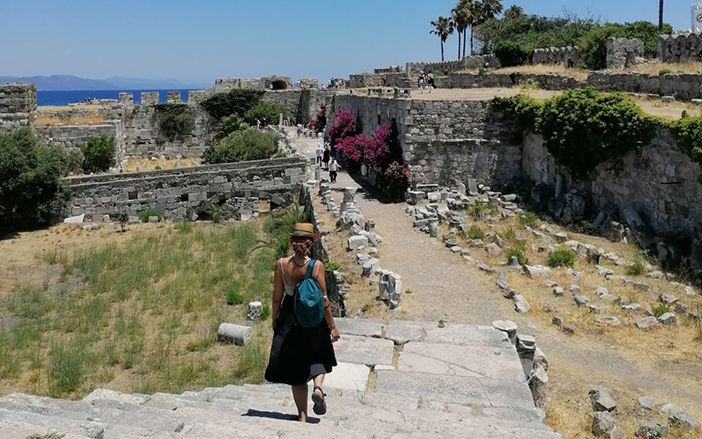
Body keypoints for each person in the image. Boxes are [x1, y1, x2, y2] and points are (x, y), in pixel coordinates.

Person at [265, 223, 340, 422]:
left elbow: (276, 297)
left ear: (292, 242)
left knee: (296, 370)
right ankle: (318, 387)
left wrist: (275, 320)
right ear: (311, 243)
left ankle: (302, 416)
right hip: (312, 320)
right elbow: (323, 300)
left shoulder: (281, 264)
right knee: (319, 357)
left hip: (290, 319)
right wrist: (332, 326)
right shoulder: (316, 266)